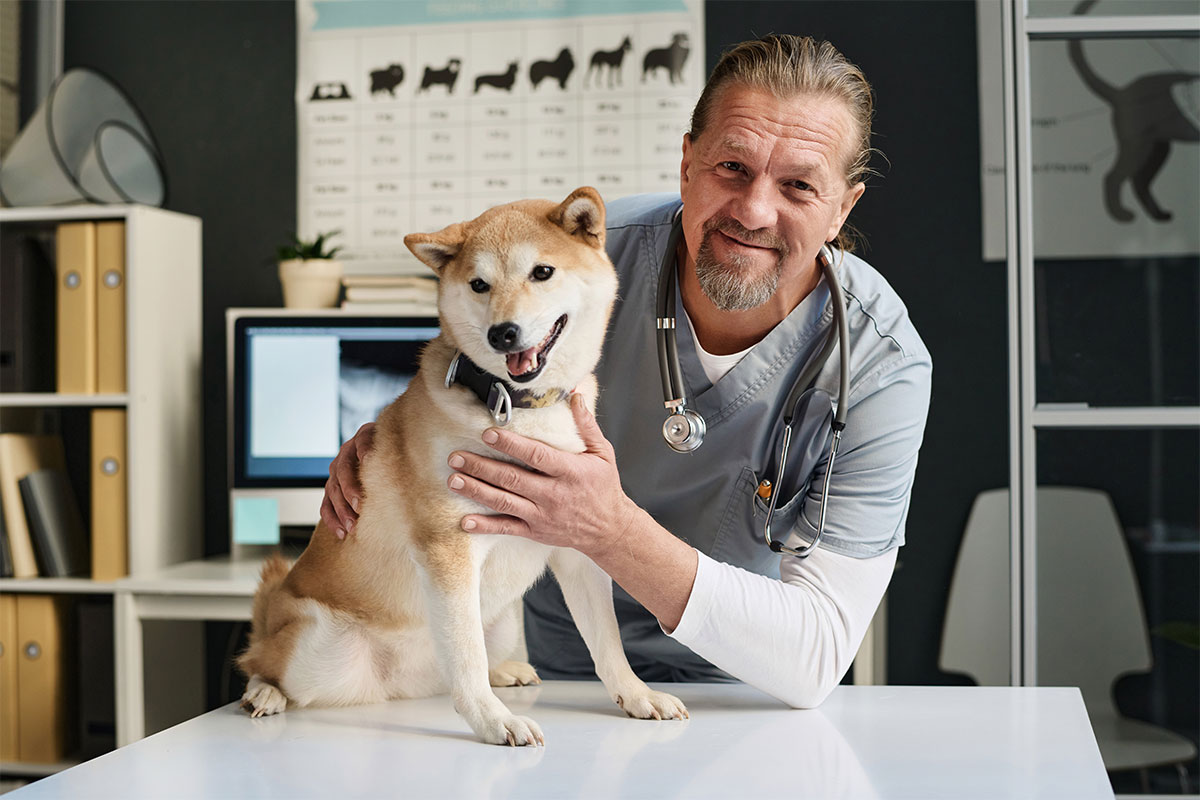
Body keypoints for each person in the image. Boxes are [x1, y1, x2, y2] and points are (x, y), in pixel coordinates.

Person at [321, 34, 931, 709]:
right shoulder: (568, 265)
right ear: (687, 165)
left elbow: (815, 654)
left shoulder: (879, 363)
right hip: (557, 687)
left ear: (843, 208)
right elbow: (463, 358)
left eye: (799, 185)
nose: (755, 210)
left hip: (747, 692)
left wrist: (607, 529)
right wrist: (394, 446)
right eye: (731, 166)